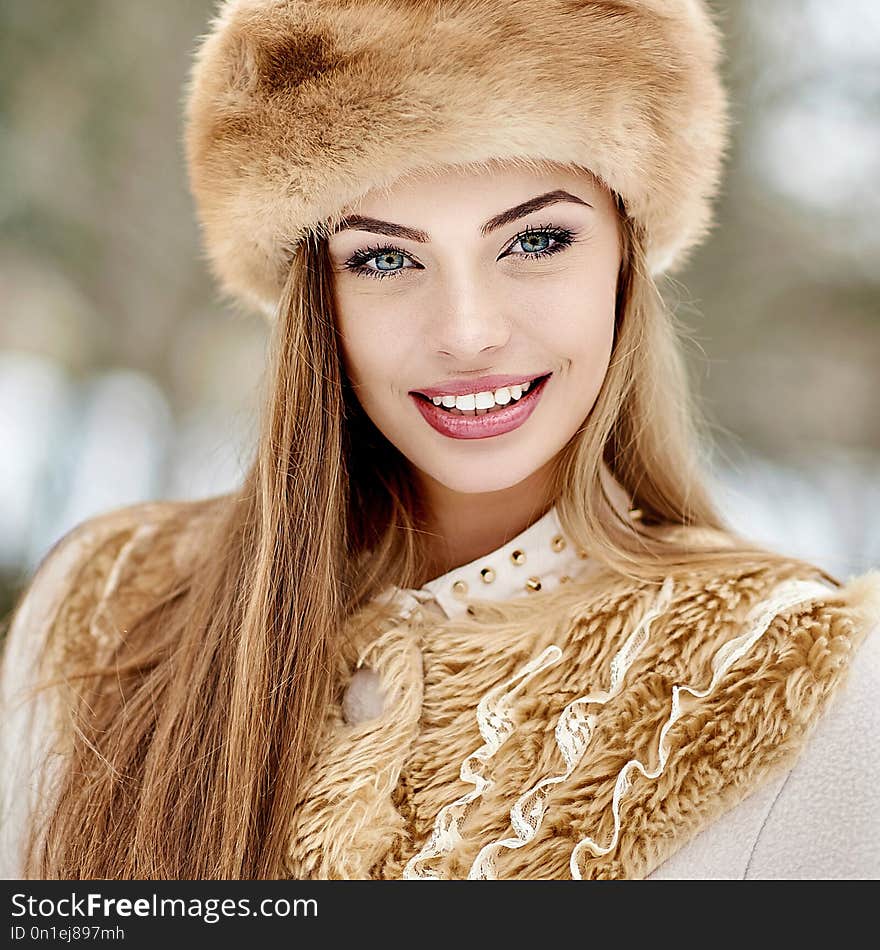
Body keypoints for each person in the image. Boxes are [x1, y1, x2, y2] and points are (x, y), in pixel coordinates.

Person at [1, 0, 878, 881]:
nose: (467, 333)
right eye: (386, 259)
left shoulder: (808, 678)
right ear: (319, 299)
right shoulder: (104, 609)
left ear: (625, 254)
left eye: (536, 240)